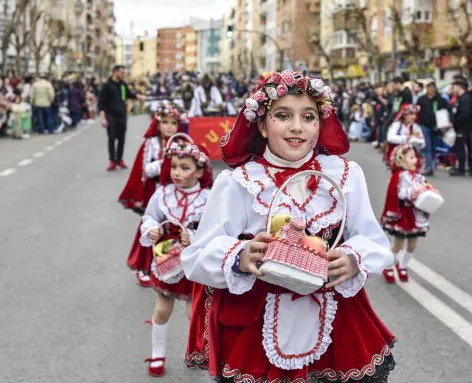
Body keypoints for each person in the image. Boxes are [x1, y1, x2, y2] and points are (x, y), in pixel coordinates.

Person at [181, 70, 395, 383]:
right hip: (255, 324)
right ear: (263, 125)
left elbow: (374, 240)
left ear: (320, 124)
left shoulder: (345, 175)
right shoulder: (238, 183)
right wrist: (240, 256)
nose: (297, 127)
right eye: (283, 115)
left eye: (309, 117)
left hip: (336, 322)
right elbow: (196, 257)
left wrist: (353, 259)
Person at [140, 140, 213, 377]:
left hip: (195, 264)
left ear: (200, 172)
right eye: (174, 167)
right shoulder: (163, 194)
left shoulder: (209, 198)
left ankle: (200, 351)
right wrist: (152, 229)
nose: (177, 173)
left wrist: (192, 236)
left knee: (195, 312)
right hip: (167, 261)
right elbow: (150, 217)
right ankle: (157, 353)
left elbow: (215, 230)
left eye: (185, 168)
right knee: (163, 306)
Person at [120, 102, 188, 287]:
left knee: (172, 230)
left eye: (173, 123)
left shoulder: (182, 144)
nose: (169, 127)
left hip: (176, 193)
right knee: (151, 229)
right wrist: (162, 163)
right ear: (157, 124)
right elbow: (144, 171)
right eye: (165, 122)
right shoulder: (151, 144)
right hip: (156, 192)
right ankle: (145, 267)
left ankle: (169, 264)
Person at [380, 144, 430, 283]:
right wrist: (410, 193)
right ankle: (388, 266)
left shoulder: (418, 175)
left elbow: (425, 187)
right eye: (412, 157)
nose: (415, 160)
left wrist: (427, 191)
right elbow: (398, 193)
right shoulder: (399, 176)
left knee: (413, 244)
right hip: (402, 214)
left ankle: (403, 265)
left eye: (415, 157)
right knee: (398, 244)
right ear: (401, 161)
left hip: (415, 214)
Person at [98, 65, 137, 171]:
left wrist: (140, 96)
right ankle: (112, 161)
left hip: (122, 116)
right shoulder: (107, 86)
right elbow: (101, 103)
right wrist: (103, 118)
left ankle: (119, 160)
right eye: (121, 72)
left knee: (121, 139)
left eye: (124, 72)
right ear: (115, 72)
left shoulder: (123, 85)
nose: (123, 74)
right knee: (111, 138)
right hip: (110, 116)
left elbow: (129, 95)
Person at [416, 80, 452, 175]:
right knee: (427, 146)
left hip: (436, 126)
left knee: (433, 147)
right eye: (429, 87)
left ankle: (432, 166)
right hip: (424, 125)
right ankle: (428, 167)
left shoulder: (441, 99)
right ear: (426, 88)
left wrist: (447, 121)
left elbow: (448, 110)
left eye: (433, 87)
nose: (431, 89)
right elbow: (417, 111)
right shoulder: (421, 99)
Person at [449, 78, 472, 176]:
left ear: (459, 87)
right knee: (459, 147)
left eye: (454, 87)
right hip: (460, 126)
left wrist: (455, 122)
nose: (453, 89)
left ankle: (461, 169)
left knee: (460, 147)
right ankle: (461, 167)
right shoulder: (461, 98)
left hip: (463, 127)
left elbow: (465, 114)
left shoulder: (465, 99)